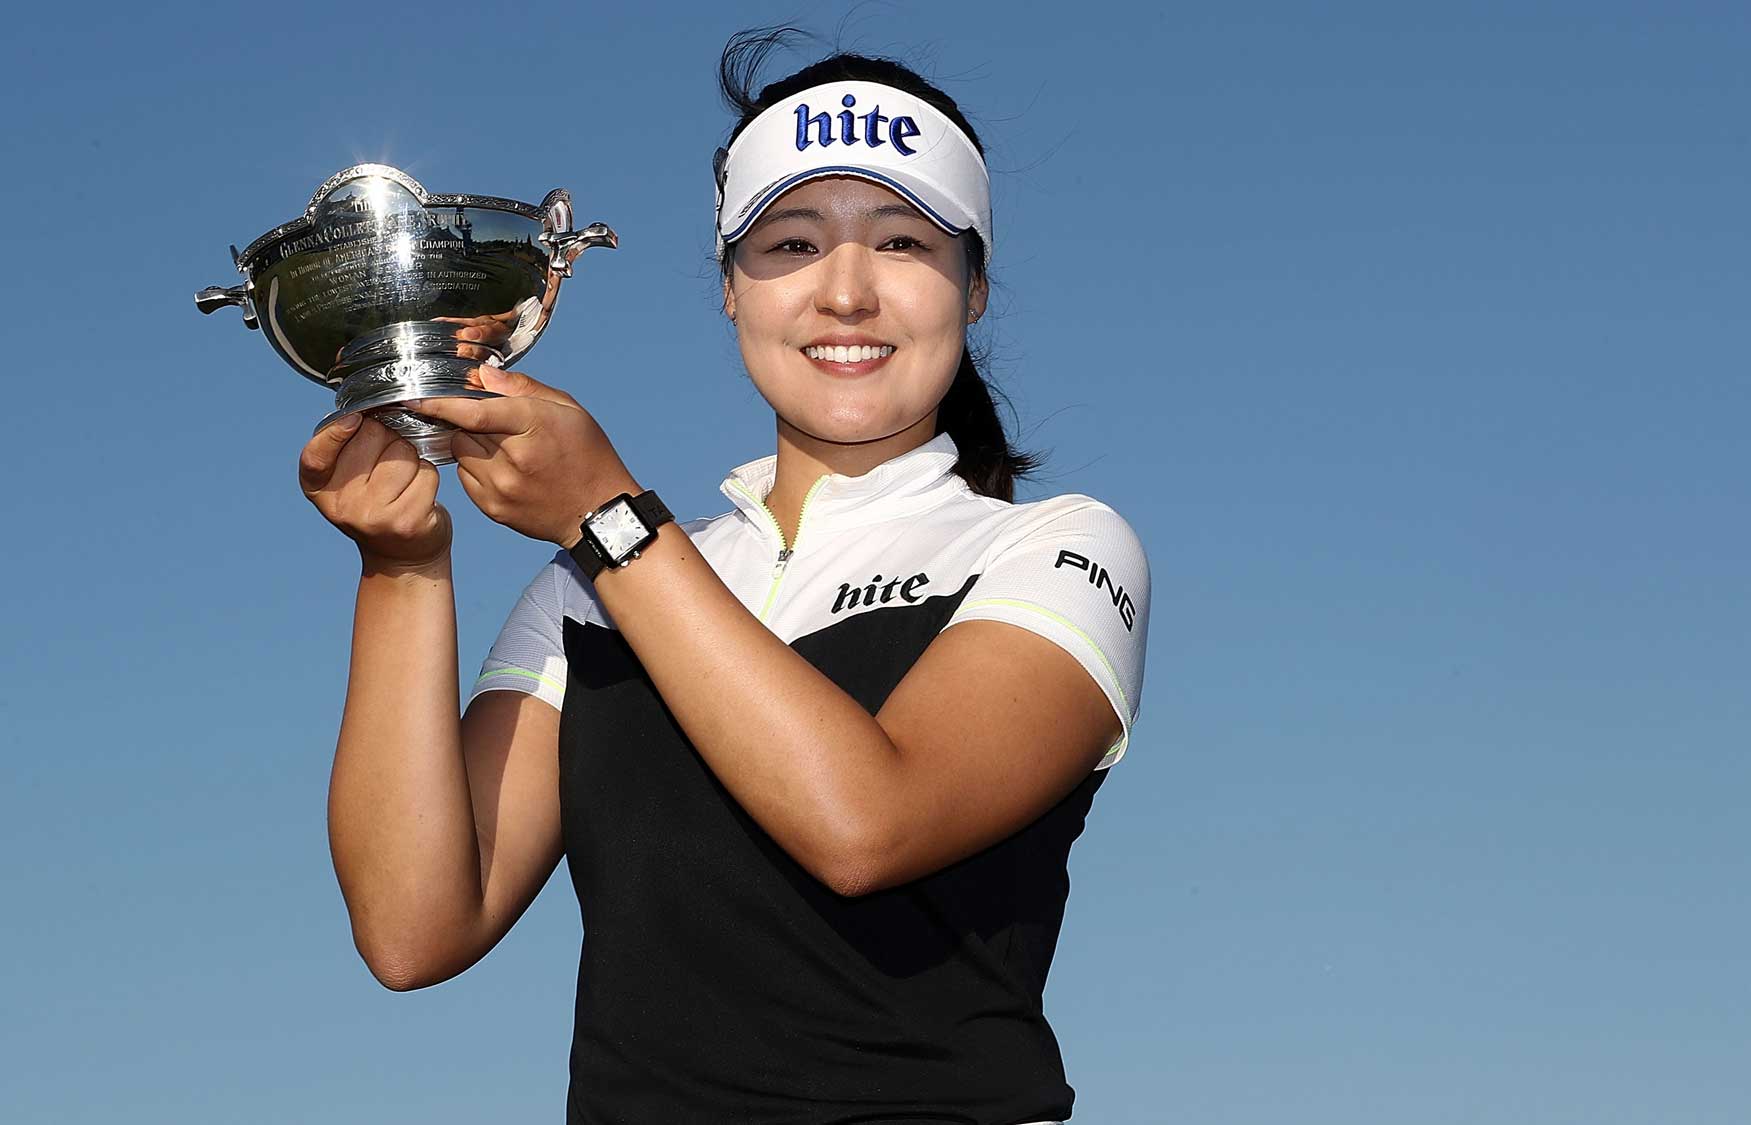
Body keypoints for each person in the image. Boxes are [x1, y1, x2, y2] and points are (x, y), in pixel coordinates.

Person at [299, 31, 1151, 1125]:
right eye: (790, 246)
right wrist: (403, 569)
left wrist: (610, 519)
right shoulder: (593, 588)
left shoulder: (1055, 549)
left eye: (900, 242)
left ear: (973, 286)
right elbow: (415, 928)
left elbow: (864, 825)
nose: (845, 293)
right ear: (729, 291)